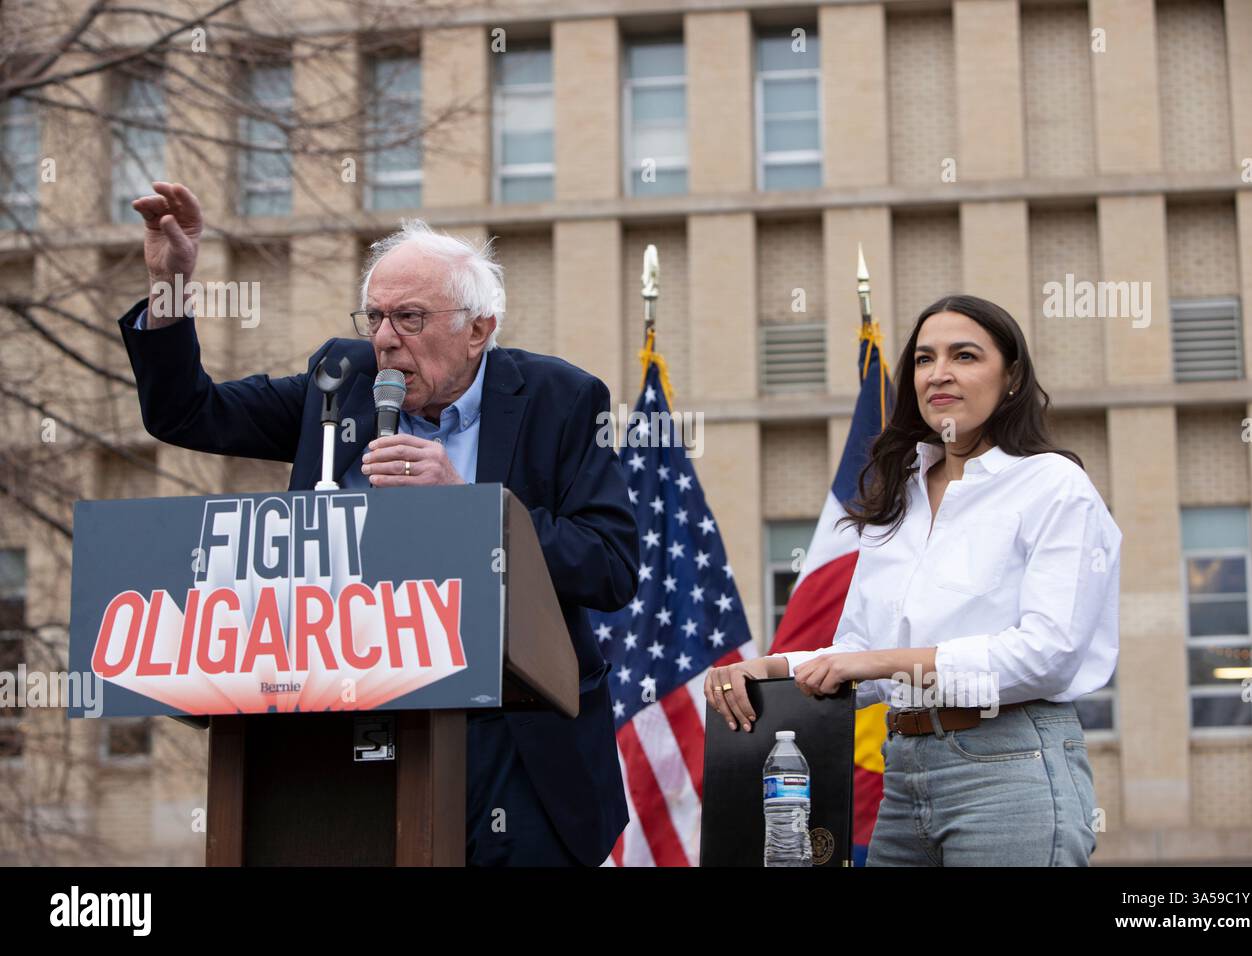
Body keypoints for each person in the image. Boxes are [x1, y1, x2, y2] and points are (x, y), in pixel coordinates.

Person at [120, 181, 638, 866]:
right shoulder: (340, 381)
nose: (387, 342)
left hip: (511, 736)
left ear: (479, 328)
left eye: (412, 319)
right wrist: (169, 286)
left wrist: (473, 508)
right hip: (349, 732)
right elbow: (186, 413)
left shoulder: (560, 399)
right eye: (376, 318)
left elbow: (609, 563)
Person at [704, 294, 1121, 866]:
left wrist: (875, 663)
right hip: (904, 773)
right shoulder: (897, 498)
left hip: (1011, 766)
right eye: (924, 359)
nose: (939, 373)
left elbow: (1049, 654)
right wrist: (776, 669)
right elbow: (858, 654)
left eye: (965, 355)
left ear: (1013, 378)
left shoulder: (1052, 486)